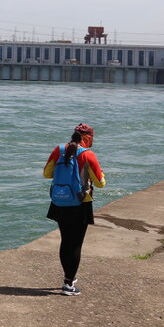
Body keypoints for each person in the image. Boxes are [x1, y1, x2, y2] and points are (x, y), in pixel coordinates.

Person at [43, 123, 106, 296]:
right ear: (88, 138)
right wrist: (102, 174)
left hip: (60, 201)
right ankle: (68, 284)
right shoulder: (88, 154)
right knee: (76, 244)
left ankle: (68, 277)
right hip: (80, 204)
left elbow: (47, 174)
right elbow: (100, 183)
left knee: (66, 241)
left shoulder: (59, 149)